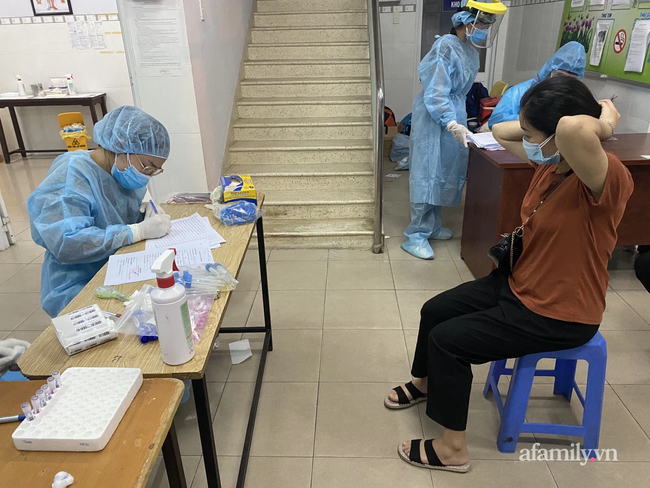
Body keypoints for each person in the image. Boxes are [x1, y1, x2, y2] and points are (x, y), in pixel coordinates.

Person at [386, 77, 633, 473]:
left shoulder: (603, 181)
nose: (529, 141)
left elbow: (572, 129)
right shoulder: (551, 164)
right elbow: (499, 130)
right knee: (435, 310)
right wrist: (538, 126)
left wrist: (604, 122)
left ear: (558, 134)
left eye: (535, 134)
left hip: (558, 312)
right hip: (519, 284)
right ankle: (426, 383)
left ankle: (453, 451)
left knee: (448, 342)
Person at [28, 106, 173, 317]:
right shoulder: (72, 175)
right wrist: (137, 231)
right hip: (78, 283)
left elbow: (122, 208)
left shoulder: (119, 171)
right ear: (122, 147)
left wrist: (148, 211)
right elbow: (67, 241)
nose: (147, 176)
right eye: (147, 167)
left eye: (154, 171)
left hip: (120, 268)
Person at [403, 0, 506, 260]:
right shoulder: (444, 47)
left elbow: (459, 92)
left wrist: (461, 120)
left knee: (445, 169)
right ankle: (415, 234)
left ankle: (433, 225)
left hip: (454, 111)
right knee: (428, 171)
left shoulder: (469, 49)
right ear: (465, 22)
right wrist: (449, 121)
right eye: (481, 23)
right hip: (434, 116)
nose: (483, 29)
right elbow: (436, 92)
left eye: (487, 25)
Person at [488, 41, 586, 129]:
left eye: (571, 79)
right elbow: (496, 121)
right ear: (548, 70)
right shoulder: (519, 91)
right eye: (559, 75)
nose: (563, 82)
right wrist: (536, 122)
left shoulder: (580, 98)